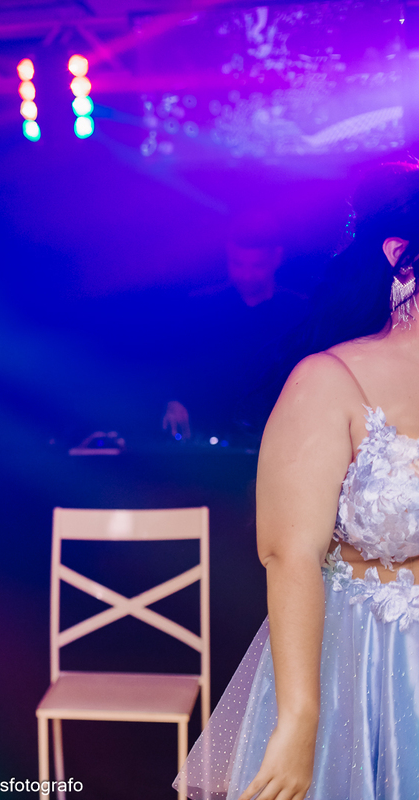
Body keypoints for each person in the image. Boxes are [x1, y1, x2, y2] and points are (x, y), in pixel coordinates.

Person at [175, 164, 419, 799]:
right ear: (401, 257)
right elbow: (290, 553)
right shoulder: (328, 379)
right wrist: (300, 718)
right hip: (366, 667)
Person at [162, 210, 309, 442]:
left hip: (275, 435)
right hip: (209, 432)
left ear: (276, 258)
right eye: (238, 264)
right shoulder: (202, 307)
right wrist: (174, 400)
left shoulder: (300, 312)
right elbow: (176, 361)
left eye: (257, 265)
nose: (246, 275)